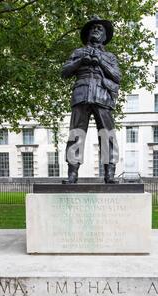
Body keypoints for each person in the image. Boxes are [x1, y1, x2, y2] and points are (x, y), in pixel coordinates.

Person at [62, 16, 121, 184]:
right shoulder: (78, 52)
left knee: (107, 135)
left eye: (100, 28)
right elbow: (64, 72)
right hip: (81, 95)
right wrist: (81, 61)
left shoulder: (110, 56)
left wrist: (100, 61)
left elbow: (117, 77)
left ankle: (109, 173)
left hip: (103, 96)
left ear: (104, 36)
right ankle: (72, 174)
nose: (96, 30)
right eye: (93, 28)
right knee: (76, 134)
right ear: (88, 34)